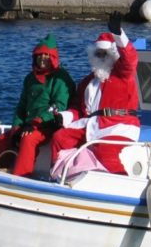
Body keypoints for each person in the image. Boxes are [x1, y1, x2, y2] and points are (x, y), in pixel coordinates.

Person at [50, 11, 140, 175]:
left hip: (118, 125)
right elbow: (78, 109)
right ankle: (60, 176)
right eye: (98, 53)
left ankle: (123, 184)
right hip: (91, 124)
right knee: (59, 138)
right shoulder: (87, 82)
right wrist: (64, 116)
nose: (102, 57)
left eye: (105, 53)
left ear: (113, 54)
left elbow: (130, 60)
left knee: (106, 151)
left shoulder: (123, 74)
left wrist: (118, 34)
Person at [0, 34, 75, 177]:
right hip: (29, 124)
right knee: (1, 140)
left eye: (46, 55)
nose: (42, 58)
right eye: (39, 55)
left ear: (53, 57)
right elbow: (22, 105)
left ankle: (21, 177)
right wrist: (17, 126)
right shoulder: (30, 78)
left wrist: (36, 123)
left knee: (28, 139)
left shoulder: (60, 78)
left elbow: (59, 106)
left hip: (50, 125)